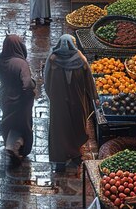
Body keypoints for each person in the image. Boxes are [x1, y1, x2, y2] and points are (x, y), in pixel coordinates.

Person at [43, 35, 98, 172]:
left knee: (60, 129)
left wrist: (53, 96)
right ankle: (74, 156)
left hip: (59, 102)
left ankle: (61, 160)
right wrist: (93, 96)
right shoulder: (80, 60)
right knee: (76, 126)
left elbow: (46, 80)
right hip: (77, 100)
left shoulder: (53, 60)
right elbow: (89, 81)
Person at [0, 35, 35, 166]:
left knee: (10, 121)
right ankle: (16, 147)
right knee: (23, 125)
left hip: (5, 97)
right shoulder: (21, 63)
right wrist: (30, 91)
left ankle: (11, 144)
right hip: (20, 100)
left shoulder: (0, 62)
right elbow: (27, 84)